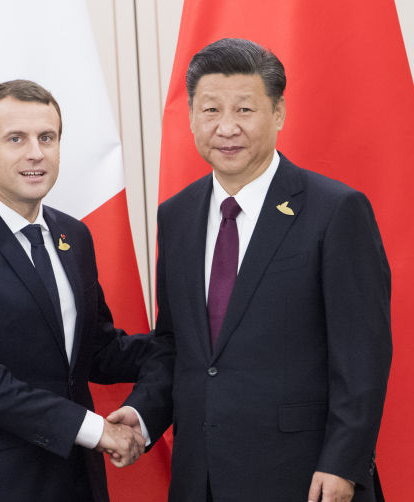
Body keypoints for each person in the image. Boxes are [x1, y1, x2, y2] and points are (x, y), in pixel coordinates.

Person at [108, 38, 392, 502]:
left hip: (303, 476)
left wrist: (343, 462)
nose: (226, 127)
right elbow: (175, 344)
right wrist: (142, 414)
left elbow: (363, 353)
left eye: (244, 109)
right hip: (200, 477)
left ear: (278, 113)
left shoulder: (335, 210)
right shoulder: (176, 215)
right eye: (210, 110)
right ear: (191, 117)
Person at [0, 79, 149, 502]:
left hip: (77, 483)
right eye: (16, 139)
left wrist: (191, 340)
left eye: (47, 138)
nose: (35, 153)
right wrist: (96, 430)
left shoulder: (74, 236)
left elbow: (98, 351)